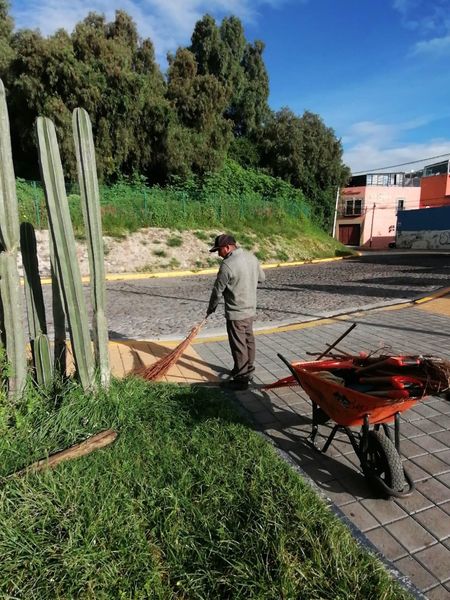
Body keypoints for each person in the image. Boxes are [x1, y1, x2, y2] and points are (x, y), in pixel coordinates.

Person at [206, 234, 265, 390]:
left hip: (236, 313)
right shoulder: (252, 257)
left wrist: (211, 307)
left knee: (238, 345)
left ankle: (241, 379)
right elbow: (262, 278)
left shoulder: (228, 265)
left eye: (219, 251)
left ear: (227, 247)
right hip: (250, 309)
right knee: (248, 340)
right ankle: (248, 369)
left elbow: (218, 290)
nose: (218, 254)